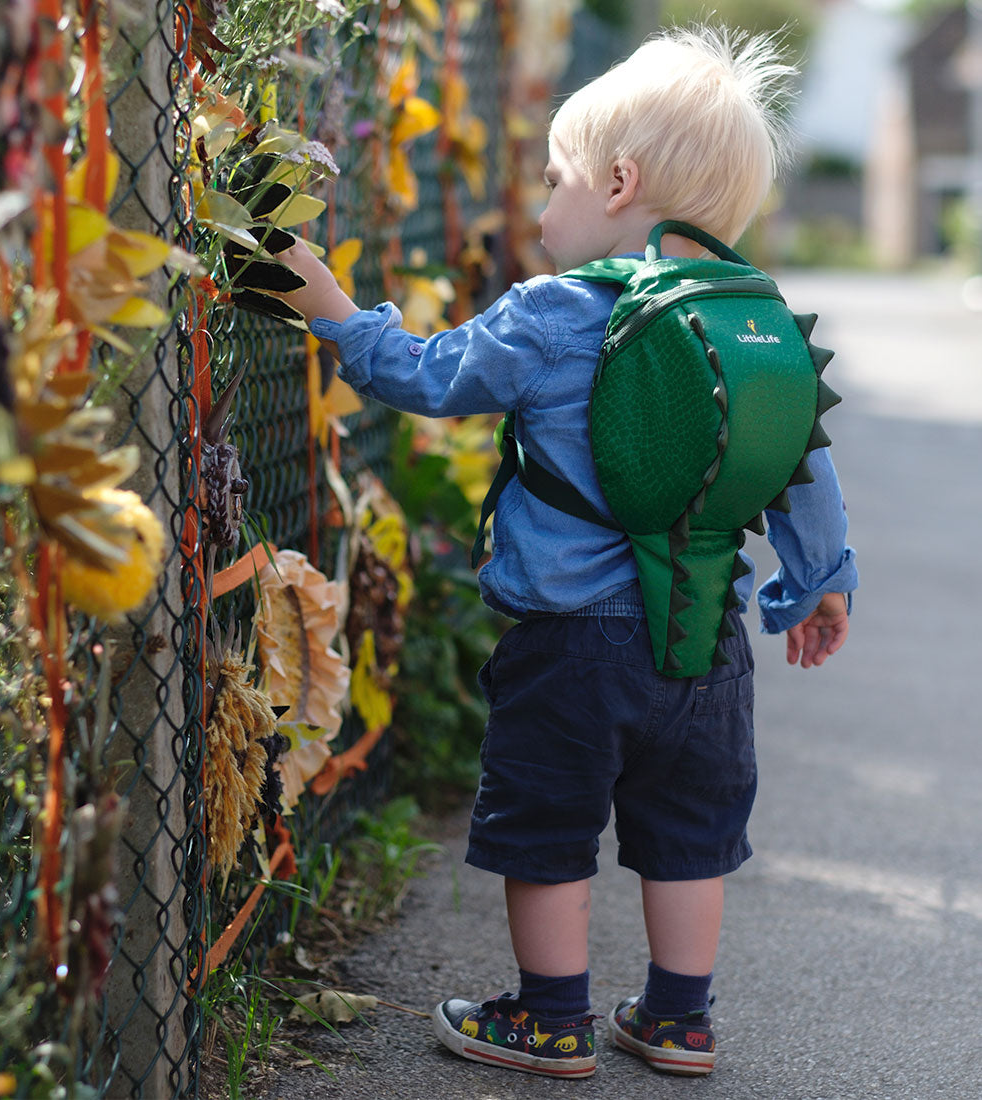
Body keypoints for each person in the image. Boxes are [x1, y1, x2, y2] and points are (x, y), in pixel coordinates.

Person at [275, 24, 857, 1081]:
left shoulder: (551, 311)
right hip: (701, 639)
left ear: (619, 183)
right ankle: (678, 1018)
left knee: (542, 826)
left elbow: (430, 380)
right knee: (688, 829)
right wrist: (820, 582)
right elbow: (797, 466)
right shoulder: (756, 321)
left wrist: (331, 310)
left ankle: (547, 1015)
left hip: (567, 646)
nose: (540, 205)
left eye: (553, 180)